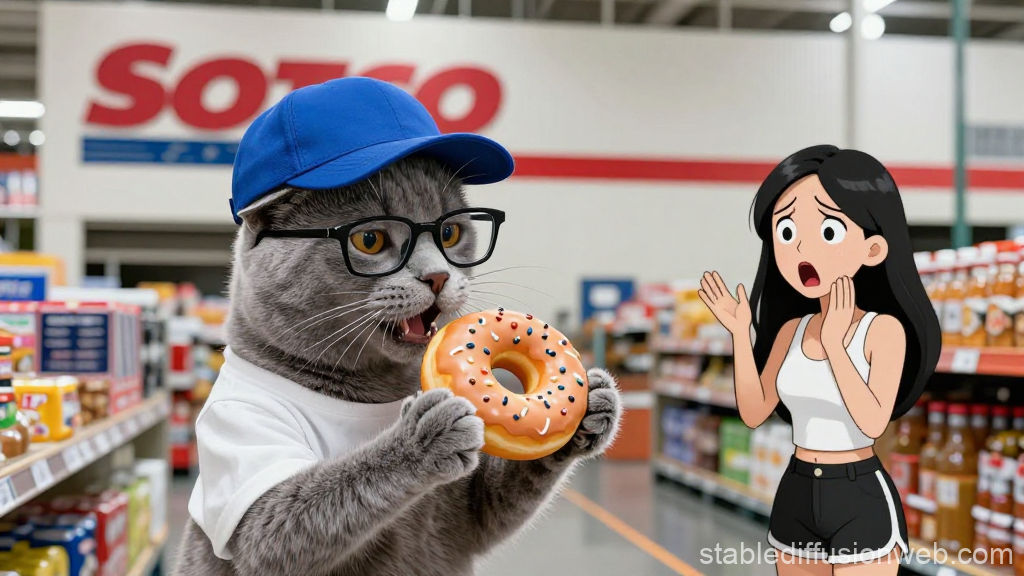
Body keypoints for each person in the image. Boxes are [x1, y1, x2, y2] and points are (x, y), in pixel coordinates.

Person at [700, 145, 941, 575]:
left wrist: (835, 346)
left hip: (859, 493)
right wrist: (739, 334)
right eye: (787, 232)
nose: (801, 250)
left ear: (873, 249)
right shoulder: (792, 331)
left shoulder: (883, 331)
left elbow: (871, 422)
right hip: (796, 489)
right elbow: (754, 412)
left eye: (828, 231)